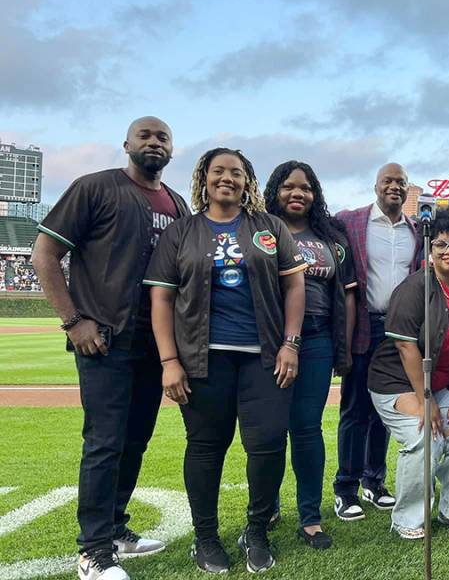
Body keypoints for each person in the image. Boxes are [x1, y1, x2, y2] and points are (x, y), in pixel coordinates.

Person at [32, 117, 188, 580]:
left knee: (134, 442)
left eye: (163, 137)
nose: (154, 142)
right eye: (146, 135)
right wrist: (73, 320)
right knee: (103, 442)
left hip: (154, 342)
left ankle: (117, 528)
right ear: (127, 144)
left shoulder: (178, 203)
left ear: (172, 149)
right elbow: (44, 253)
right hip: (105, 340)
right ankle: (94, 551)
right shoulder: (94, 187)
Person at [145, 148, 307, 573]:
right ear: (204, 177)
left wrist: (290, 343)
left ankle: (255, 531)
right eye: (218, 171)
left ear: (247, 181)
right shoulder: (182, 232)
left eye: (236, 172)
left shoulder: (269, 227)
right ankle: (205, 538)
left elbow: (295, 288)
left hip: (265, 359)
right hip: (203, 361)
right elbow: (161, 298)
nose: (227, 178)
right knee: (205, 447)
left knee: (269, 445)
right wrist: (169, 361)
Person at [368, 207, 449, 538]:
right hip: (398, 382)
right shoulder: (415, 288)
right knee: (426, 434)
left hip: (443, 384)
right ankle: (409, 519)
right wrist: (426, 399)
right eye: (440, 244)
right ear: (430, 249)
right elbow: (405, 348)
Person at [263, 161, 358, 549]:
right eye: (288, 187)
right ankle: (266, 507)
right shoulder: (260, 228)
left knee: (306, 428)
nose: (297, 193)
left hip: (318, 338)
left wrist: (344, 346)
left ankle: (310, 518)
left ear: (315, 194)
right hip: (269, 340)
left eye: (305, 188)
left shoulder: (331, 237)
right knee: (267, 430)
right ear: (275, 191)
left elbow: (348, 295)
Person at [333, 162, 421, 519]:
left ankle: (374, 482)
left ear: (407, 188)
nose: (394, 187)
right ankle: (346, 488)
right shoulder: (349, 221)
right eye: (388, 180)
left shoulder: (416, 230)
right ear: (375, 186)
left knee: (385, 411)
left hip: (399, 333)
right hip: (362, 325)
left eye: (401, 182)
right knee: (354, 410)